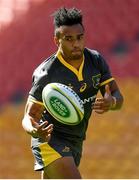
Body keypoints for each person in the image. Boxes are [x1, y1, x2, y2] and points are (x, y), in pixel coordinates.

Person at [22, 7, 124, 179]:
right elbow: (28, 116)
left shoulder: (95, 61)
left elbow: (118, 97)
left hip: (76, 139)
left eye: (80, 37)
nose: (76, 43)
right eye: (69, 39)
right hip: (50, 139)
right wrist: (35, 130)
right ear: (57, 40)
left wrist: (111, 102)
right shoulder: (46, 73)